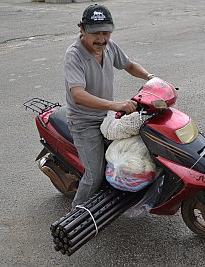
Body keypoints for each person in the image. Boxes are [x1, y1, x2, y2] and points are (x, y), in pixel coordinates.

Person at [64, 4, 155, 209]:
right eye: (95, 33)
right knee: (94, 175)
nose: (102, 39)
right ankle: (74, 216)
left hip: (106, 116)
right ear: (82, 30)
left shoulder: (109, 47)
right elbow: (77, 95)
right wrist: (116, 105)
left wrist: (151, 78)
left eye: (106, 32)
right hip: (83, 122)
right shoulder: (74, 55)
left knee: (133, 152)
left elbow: (129, 65)